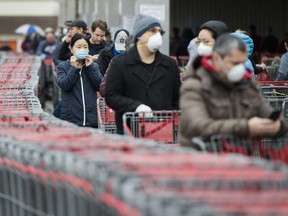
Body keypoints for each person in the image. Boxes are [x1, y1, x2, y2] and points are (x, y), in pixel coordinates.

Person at [179, 34, 287, 148]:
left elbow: (270, 114)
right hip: (205, 159)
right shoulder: (195, 85)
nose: (240, 68)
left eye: (243, 63)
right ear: (216, 59)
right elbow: (198, 125)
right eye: (235, 63)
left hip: (243, 157)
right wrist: (247, 127)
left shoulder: (248, 85)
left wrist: (277, 125)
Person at [105, 14, 181, 134]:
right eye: (152, 31)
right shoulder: (120, 64)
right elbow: (111, 95)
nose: (157, 35)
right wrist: (135, 106)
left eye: (160, 32)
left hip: (163, 132)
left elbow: (177, 97)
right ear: (139, 35)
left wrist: (171, 118)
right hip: (130, 132)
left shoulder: (170, 65)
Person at [56, 33, 103, 127]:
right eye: (79, 47)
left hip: (91, 118)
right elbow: (64, 85)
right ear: (71, 48)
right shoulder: (63, 67)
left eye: (85, 47)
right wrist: (74, 68)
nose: (82, 49)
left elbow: (100, 86)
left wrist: (91, 67)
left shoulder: (93, 66)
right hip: (71, 119)